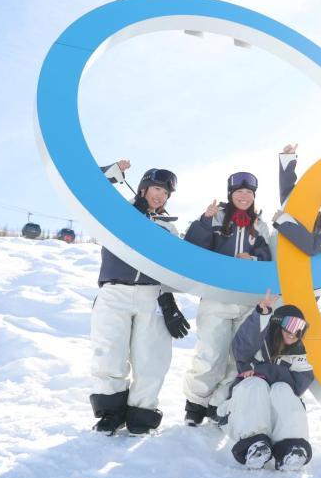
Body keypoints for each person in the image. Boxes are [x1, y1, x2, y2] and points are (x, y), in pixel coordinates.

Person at [90, 161, 189, 436]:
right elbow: (93, 189)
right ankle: (109, 414)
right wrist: (112, 171)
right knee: (109, 353)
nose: (160, 196)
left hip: (151, 295)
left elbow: (174, 269)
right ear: (144, 188)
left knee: (152, 358)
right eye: (156, 188)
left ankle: (140, 416)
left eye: (166, 193)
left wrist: (168, 299)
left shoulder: (168, 230)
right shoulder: (120, 213)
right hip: (115, 291)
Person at [182, 171, 273, 426]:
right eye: (239, 192)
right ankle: (196, 403)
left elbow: (268, 259)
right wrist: (204, 221)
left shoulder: (260, 225)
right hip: (217, 297)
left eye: (248, 193)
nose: (243, 196)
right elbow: (193, 249)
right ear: (230, 195)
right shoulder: (218, 217)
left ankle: (218, 404)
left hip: (246, 299)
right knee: (211, 353)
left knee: (238, 356)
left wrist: (253, 260)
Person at [218, 293, 314, 471]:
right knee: (255, 384)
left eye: (300, 327)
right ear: (277, 324)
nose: (295, 332)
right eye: (291, 325)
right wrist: (262, 315)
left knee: (283, 389)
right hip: (244, 412)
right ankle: (253, 445)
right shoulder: (259, 342)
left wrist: (263, 371)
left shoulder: (298, 352)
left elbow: (299, 385)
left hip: (274, 418)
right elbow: (242, 347)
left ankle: (291, 447)